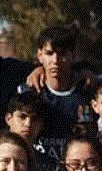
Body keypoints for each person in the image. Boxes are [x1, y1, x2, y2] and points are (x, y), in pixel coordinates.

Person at [20, 26, 91, 161]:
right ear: (40, 55)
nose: (55, 60)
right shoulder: (28, 92)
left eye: (62, 53)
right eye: (49, 53)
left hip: (77, 169)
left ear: (73, 55)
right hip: (39, 169)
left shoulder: (87, 90)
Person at [4, 90, 62, 171]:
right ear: (8, 119)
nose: (28, 124)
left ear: (41, 125)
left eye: (34, 119)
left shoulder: (49, 167)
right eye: (22, 117)